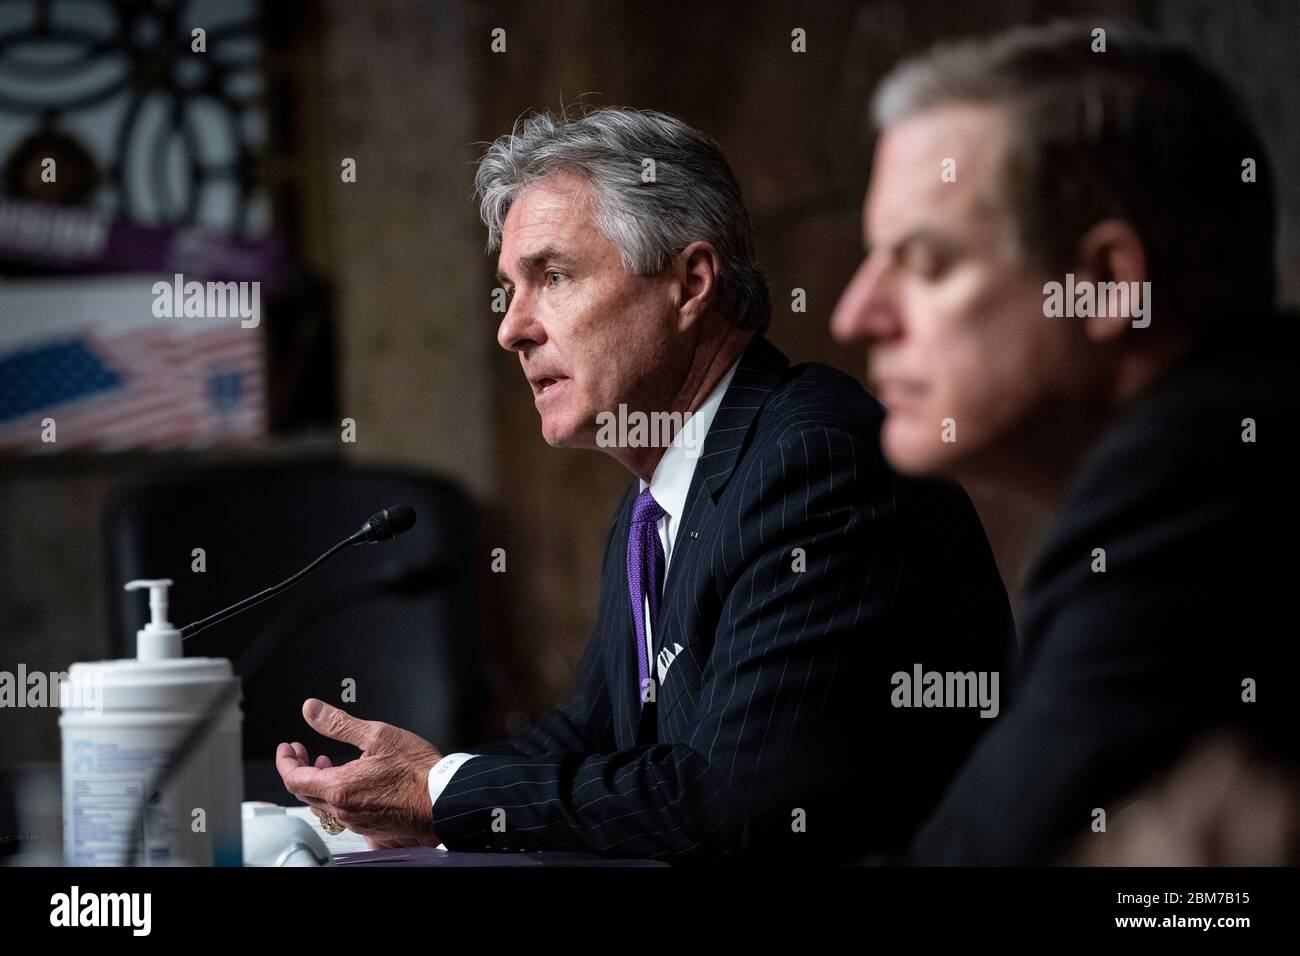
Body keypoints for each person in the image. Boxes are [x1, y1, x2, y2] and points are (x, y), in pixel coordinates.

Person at [277, 107, 1013, 863]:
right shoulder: (652, 497)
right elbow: (592, 734)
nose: (512, 328)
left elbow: (727, 802)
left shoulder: (816, 463)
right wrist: (410, 795)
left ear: (690, 283)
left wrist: (444, 795)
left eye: (553, 277)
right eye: (511, 288)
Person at [831, 21, 1297, 865]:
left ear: (1107, 284)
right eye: (873, 261)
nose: (857, 314)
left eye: (926, 263)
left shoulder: (1191, 479)